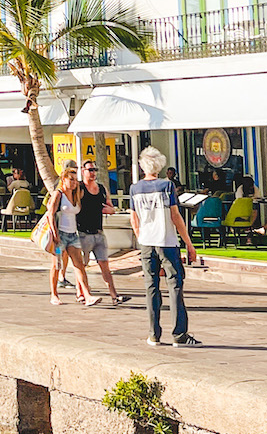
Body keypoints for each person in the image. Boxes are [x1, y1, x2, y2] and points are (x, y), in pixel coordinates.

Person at [129, 146, 201, 346]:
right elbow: (175, 216)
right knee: (175, 285)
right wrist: (188, 242)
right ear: (159, 165)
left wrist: (141, 236)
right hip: (166, 241)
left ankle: (154, 333)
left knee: (151, 287)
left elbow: (134, 219)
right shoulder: (166, 186)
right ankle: (179, 334)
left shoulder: (135, 189)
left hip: (146, 241)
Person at [46, 166, 100, 306]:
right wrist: (55, 234)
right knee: (57, 264)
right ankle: (54, 294)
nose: (74, 182)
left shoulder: (76, 194)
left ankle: (87, 295)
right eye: (71, 179)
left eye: (75, 180)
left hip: (72, 235)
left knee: (79, 264)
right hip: (60, 235)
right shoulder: (58, 194)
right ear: (63, 179)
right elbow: (50, 214)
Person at [78, 161, 127, 305]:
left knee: (104, 264)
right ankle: (81, 293)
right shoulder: (80, 188)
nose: (92, 173)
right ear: (83, 171)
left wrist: (109, 210)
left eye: (95, 169)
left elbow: (110, 207)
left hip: (99, 232)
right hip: (83, 233)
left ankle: (114, 295)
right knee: (81, 265)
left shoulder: (101, 188)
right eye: (90, 170)